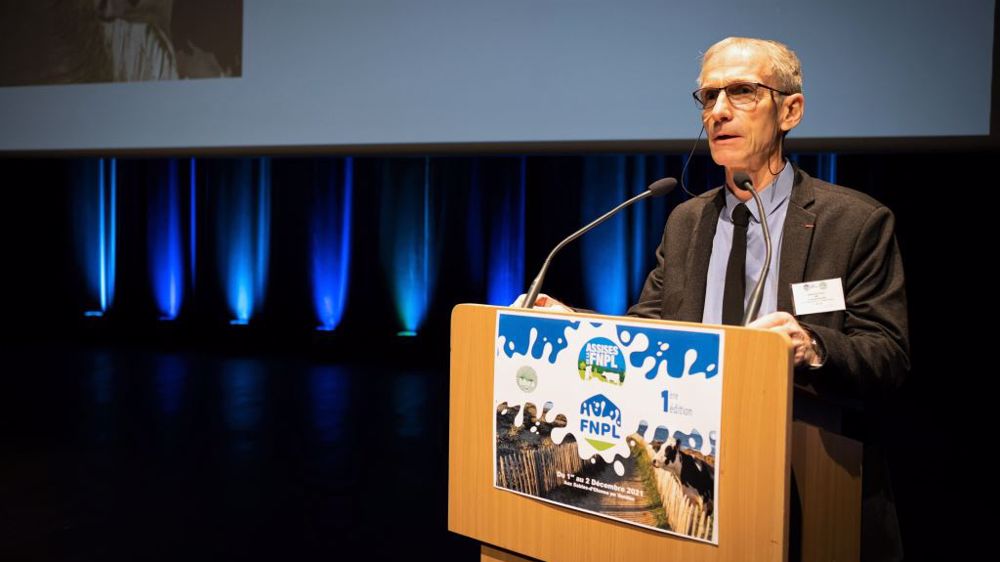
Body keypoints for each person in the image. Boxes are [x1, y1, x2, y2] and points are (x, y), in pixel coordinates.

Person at [526, 37, 909, 560]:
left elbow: (888, 356)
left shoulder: (854, 222)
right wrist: (578, 325)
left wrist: (813, 346)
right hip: (694, 477)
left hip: (808, 474)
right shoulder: (687, 221)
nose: (718, 111)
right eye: (709, 96)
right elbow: (649, 332)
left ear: (791, 111)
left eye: (742, 92)